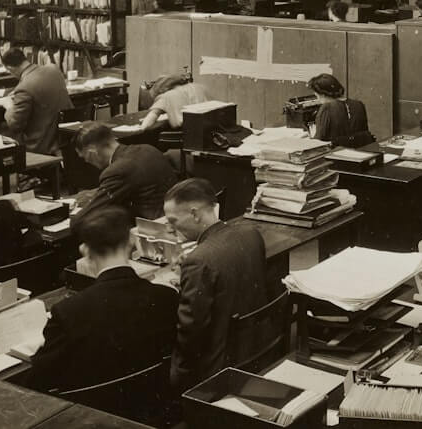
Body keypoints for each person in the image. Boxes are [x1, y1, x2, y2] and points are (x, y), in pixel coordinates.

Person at [27, 207, 178, 392]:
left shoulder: (67, 312)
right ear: (132, 240)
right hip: (151, 405)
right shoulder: (167, 297)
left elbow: (40, 377)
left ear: (85, 250)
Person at [165, 179, 273, 390]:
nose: (170, 229)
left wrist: (176, 377)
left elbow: (191, 332)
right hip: (260, 344)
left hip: (222, 363)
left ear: (195, 214)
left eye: (173, 221)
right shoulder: (250, 234)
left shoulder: (199, 261)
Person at [74, 123, 177, 220]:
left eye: (84, 157)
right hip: (172, 214)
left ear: (92, 152)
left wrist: (72, 219)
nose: (87, 161)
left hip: (149, 225)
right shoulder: (148, 149)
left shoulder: (116, 170)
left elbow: (93, 210)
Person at [1, 48, 73, 155]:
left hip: (40, 144)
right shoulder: (54, 70)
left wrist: (9, 106)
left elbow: (15, 125)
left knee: (0, 132)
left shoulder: (24, 88)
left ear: (10, 68)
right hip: (63, 138)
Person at [308, 73, 373, 147]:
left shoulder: (326, 108)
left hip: (335, 154)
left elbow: (319, 141)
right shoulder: (359, 104)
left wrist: (311, 137)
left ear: (322, 94)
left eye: (316, 96)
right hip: (360, 153)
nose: (317, 99)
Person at [140, 75, 210, 130]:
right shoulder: (198, 87)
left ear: (161, 89)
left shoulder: (166, 96)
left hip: (187, 132)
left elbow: (152, 116)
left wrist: (141, 128)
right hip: (210, 127)